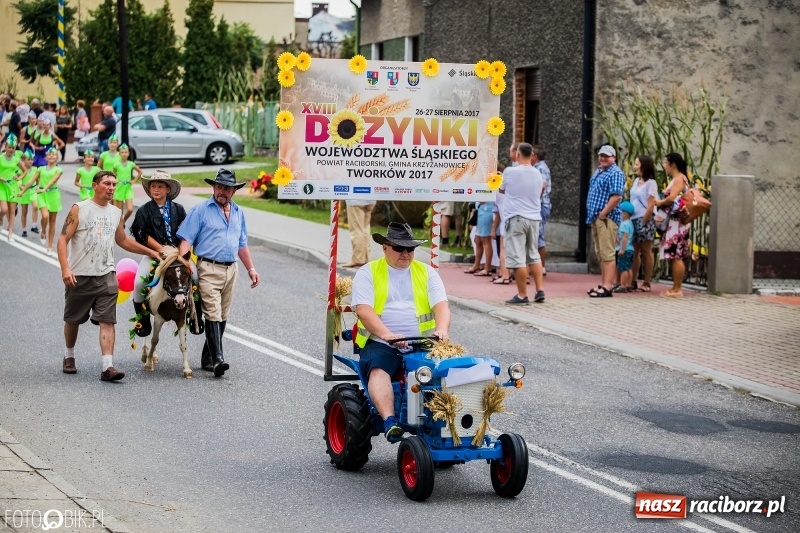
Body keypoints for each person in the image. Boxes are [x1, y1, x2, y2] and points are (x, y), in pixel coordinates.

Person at [57, 170, 161, 381]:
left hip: (106, 275)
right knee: (73, 319)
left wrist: (150, 252)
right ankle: (69, 355)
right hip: (80, 275)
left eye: (114, 184)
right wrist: (66, 269)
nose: (111, 188)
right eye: (107, 183)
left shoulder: (115, 212)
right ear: (95, 185)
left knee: (107, 321)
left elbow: (122, 240)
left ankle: (108, 367)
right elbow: (62, 239)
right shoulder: (80, 209)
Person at [352, 222, 450, 440]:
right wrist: (387, 335)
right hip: (380, 343)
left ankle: (448, 421)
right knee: (379, 368)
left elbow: (441, 306)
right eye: (399, 248)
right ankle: (390, 421)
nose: (405, 253)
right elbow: (363, 310)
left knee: (448, 371)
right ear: (385, 247)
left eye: (410, 249)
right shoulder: (368, 272)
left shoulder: (427, 273)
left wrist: (441, 330)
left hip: (422, 342)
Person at [177, 168, 261, 377]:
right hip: (208, 267)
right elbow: (186, 239)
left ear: (234, 191)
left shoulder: (239, 212)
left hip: (231, 269)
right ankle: (218, 360)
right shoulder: (201, 210)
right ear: (214, 187)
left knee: (223, 314)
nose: (222, 191)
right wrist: (184, 264)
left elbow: (241, 244)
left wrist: (251, 268)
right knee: (212, 312)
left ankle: (207, 357)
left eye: (227, 188)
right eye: (219, 187)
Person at [130, 170, 199, 337]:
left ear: (168, 189)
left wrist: (182, 256)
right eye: (153, 186)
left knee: (196, 277)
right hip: (154, 254)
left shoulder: (178, 209)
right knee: (139, 284)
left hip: (177, 254)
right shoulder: (144, 211)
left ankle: (196, 316)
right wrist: (161, 251)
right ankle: (143, 319)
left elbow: (185, 234)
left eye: (160, 186)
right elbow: (143, 235)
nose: (156, 190)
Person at [499, 142, 546, 304]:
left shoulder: (510, 172)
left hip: (516, 217)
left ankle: (522, 295)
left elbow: (501, 189)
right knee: (533, 254)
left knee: (518, 258)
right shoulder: (537, 173)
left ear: (517, 154)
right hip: (534, 218)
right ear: (532, 155)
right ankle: (540, 290)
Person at [586, 145, 624, 298]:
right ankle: (603, 283)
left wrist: (603, 213)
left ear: (614, 157)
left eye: (606, 156)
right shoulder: (599, 171)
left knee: (607, 253)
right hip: (596, 217)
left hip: (606, 218)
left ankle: (608, 286)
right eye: (601, 155)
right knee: (601, 253)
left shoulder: (615, 173)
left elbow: (616, 196)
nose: (603, 158)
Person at [654, 152, 691, 298]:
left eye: (665, 163)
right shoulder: (680, 178)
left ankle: (677, 289)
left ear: (673, 164)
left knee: (676, 255)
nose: (664, 166)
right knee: (675, 254)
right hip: (675, 222)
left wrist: (660, 202)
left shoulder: (679, 179)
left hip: (676, 223)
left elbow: (672, 198)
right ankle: (675, 287)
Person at [20, 147, 63, 255]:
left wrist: (45, 188)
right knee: (45, 216)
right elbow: (30, 181)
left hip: (53, 195)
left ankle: (49, 247)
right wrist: (22, 191)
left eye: (54, 155)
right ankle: (43, 230)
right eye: (49, 155)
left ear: (57, 157)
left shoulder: (59, 170)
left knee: (52, 222)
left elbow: (53, 180)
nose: (52, 156)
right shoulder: (40, 169)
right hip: (42, 195)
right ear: (46, 157)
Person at [629, 155, 658, 292]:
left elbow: (651, 205)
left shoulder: (651, 183)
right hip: (634, 218)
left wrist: (644, 221)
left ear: (643, 166)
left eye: (637, 164)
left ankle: (647, 281)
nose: (635, 166)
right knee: (635, 251)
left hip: (645, 219)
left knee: (646, 251)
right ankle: (633, 280)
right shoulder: (636, 181)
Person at [0, 135, 27, 241]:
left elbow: (25, 171)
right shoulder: (1, 158)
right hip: (2, 186)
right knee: (4, 209)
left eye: (13, 148)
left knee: (12, 210)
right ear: (5, 147)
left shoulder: (16, 159)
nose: (11, 149)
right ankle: (1, 218)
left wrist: (18, 177)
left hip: (12, 186)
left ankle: (10, 234)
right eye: (9, 147)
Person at [531, 145, 551, 275]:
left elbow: (542, 185)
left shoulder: (540, 168)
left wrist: (535, 199)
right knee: (537, 236)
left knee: (539, 237)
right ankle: (538, 267)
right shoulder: (538, 167)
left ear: (535, 156)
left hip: (540, 205)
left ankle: (542, 267)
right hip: (540, 204)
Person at [112, 143, 142, 225]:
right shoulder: (116, 164)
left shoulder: (131, 164)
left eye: (126, 152)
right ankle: (120, 225)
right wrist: (115, 180)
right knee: (119, 211)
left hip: (128, 187)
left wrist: (134, 181)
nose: (124, 154)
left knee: (130, 209)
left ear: (128, 153)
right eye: (122, 152)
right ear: (119, 154)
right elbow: (113, 175)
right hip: (119, 187)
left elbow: (140, 172)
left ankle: (124, 221)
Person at [342, 199, 376, 267]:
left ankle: (358, 259)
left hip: (355, 200)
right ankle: (366, 258)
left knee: (357, 229)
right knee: (365, 228)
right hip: (371, 199)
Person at [16, 148, 38, 237]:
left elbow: (38, 180)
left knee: (36, 206)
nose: (31, 161)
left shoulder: (36, 169)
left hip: (33, 190)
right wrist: (20, 185)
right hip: (24, 191)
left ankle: (34, 225)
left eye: (32, 159)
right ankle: (24, 229)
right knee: (24, 211)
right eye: (28, 159)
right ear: (23, 160)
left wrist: (38, 187)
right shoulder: (20, 170)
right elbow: (18, 180)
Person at [615, 201, 635, 292]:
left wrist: (622, 249)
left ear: (625, 213)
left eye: (621, 212)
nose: (620, 214)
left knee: (623, 268)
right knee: (628, 268)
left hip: (625, 249)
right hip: (630, 249)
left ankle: (622, 286)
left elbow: (625, 237)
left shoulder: (624, 224)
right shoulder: (630, 223)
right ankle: (628, 284)